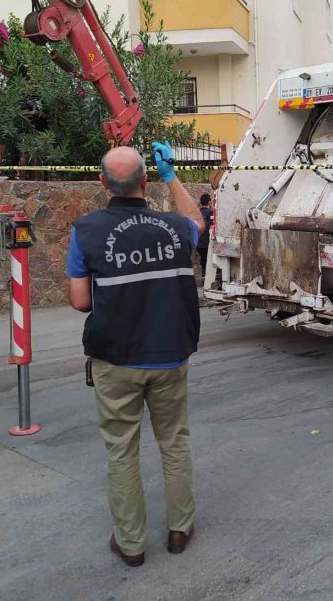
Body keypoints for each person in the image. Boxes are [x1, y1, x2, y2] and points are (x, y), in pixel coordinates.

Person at [67, 144, 205, 567]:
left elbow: (79, 302)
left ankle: (131, 544)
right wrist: (172, 176)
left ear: (102, 183)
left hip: (116, 358)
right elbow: (199, 222)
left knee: (121, 449)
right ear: (145, 181)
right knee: (174, 442)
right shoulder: (174, 227)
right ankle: (180, 529)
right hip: (169, 354)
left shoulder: (85, 231)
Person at [197, 193, 213, 273]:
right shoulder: (211, 212)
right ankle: (207, 282)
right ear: (209, 202)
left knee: (203, 263)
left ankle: (204, 279)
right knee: (209, 264)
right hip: (207, 243)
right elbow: (211, 228)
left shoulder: (198, 212)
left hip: (198, 243)